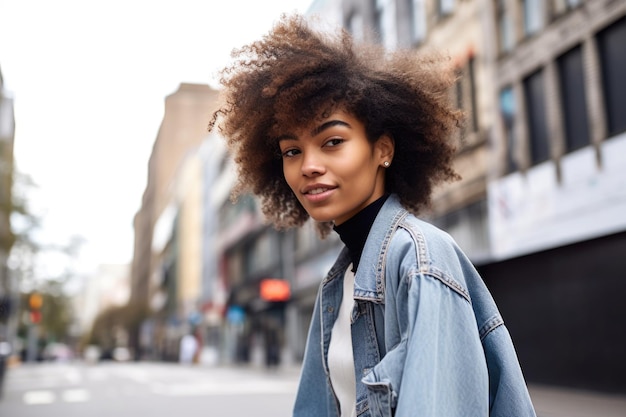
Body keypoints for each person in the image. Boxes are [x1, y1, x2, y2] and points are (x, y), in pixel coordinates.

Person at [210, 14, 536, 417]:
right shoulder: (340, 281)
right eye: (292, 150)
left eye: (332, 141)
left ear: (383, 149)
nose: (308, 165)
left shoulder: (419, 261)